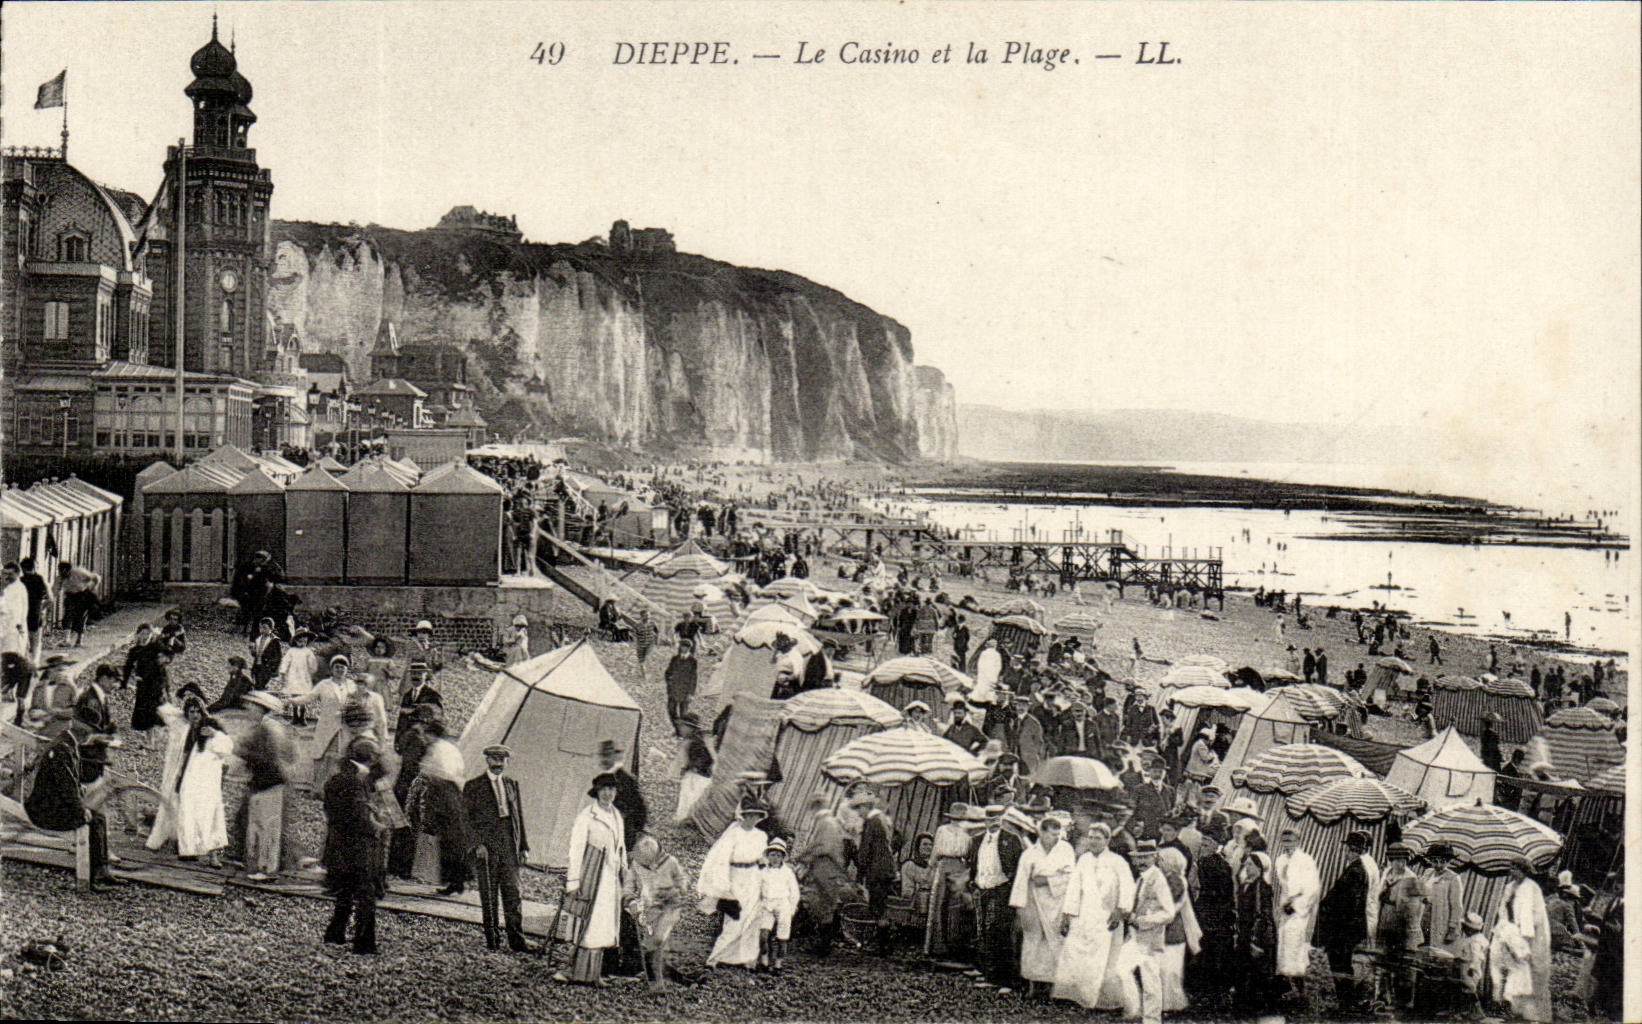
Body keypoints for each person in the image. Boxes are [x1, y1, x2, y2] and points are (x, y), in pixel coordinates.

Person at [1052, 820, 1134, 1010]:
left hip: (1107, 916)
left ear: (1107, 840)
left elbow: (1127, 887)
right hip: (1084, 913)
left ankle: (1101, 999)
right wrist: (1067, 914)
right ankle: (1076, 996)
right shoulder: (1083, 859)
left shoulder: (1117, 861)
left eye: (1098, 838)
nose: (1093, 842)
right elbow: (1074, 888)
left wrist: (1120, 911)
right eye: (1090, 838)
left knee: (1105, 957)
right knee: (1077, 953)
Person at [557, 771, 629, 985]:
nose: (608, 794)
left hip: (610, 877)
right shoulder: (587, 816)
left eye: (612, 789)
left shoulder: (616, 815)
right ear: (597, 792)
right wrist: (573, 881)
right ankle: (576, 971)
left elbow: (620, 846)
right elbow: (576, 850)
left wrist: (623, 868)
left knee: (604, 922)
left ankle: (594, 973)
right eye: (604, 789)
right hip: (592, 873)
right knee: (588, 921)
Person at [464, 745, 536, 953]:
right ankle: (492, 940)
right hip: (486, 848)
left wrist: (523, 846)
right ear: (487, 760)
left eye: (501, 760)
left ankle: (517, 940)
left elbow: (518, 817)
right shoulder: (473, 786)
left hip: (508, 846)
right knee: (489, 895)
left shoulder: (512, 784)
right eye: (494, 760)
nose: (497, 764)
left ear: (507, 762)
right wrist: (477, 844)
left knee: (513, 893)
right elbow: (465, 820)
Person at [322, 737, 382, 955]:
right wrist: (377, 825)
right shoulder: (356, 781)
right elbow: (358, 815)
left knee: (345, 890)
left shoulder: (338, 778)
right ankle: (364, 941)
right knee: (366, 893)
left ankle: (335, 933)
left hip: (339, 842)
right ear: (370, 758)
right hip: (357, 844)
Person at [699, 799, 770, 969]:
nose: (752, 819)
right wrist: (724, 888)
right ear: (742, 816)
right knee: (735, 918)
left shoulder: (761, 836)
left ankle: (748, 957)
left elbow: (763, 857)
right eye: (749, 815)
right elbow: (721, 861)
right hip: (736, 876)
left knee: (753, 917)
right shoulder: (732, 835)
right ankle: (716, 957)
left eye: (756, 816)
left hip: (754, 876)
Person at [1010, 812, 1073, 1000]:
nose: (1057, 837)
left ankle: (1055, 987)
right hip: (1034, 902)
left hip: (1058, 902)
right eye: (1053, 834)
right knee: (1033, 941)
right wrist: (1020, 908)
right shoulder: (1030, 854)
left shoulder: (1066, 849)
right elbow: (1021, 882)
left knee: (1056, 942)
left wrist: (1046, 880)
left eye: (1058, 833)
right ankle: (1033, 985)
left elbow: (1071, 876)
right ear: (1042, 833)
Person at [1316, 829, 1379, 1013]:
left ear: (1354, 849)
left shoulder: (1357, 869)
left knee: (1340, 962)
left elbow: (1347, 901)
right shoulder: (1370, 865)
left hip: (1347, 925)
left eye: (1349, 849)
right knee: (1345, 962)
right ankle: (1350, 1001)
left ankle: (1347, 1002)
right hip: (1360, 921)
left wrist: (1331, 920)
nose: (1346, 853)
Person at [237, 691, 293, 881]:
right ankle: (259, 865)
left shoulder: (268, 729)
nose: (248, 709)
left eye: (251, 706)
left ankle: (268, 869)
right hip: (263, 782)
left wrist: (243, 752)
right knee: (259, 825)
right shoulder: (262, 727)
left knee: (267, 826)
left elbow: (270, 759)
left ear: (261, 709)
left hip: (269, 782)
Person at [967, 803, 1023, 992]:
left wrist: (1009, 886)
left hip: (1002, 889)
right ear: (984, 820)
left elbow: (1018, 867)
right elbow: (972, 865)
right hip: (982, 888)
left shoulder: (1012, 839)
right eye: (989, 819)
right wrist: (973, 884)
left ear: (1002, 820)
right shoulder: (976, 840)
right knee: (982, 931)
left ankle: (1005, 980)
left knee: (999, 932)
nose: (993, 823)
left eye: (997, 819)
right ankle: (988, 974)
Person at [1489, 857, 1551, 1023]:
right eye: (1511, 868)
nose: (1512, 871)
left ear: (1524, 870)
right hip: (1508, 930)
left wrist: (1525, 938)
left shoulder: (1531, 888)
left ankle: (1520, 1009)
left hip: (1526, 933)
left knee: (1523, 969)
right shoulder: (1510, 887)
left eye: (1515, 868)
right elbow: (1503, 908)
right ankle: (1502, 1003)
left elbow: (1530, 915)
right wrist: (1503, 929)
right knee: (1502, 965)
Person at [414, 719, 470, 895]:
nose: (425, 737)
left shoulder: (438, 749)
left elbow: (433, 771)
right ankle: (456, 880)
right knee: (452, 839)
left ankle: (455, 880)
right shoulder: (451, 748)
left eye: (427, 734)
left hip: (442, 793)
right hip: (453, 793)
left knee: (448, 839)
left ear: (433, 734)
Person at [145, 690, 206, 852]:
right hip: (181, 770)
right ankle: (172, 836)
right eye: (191, 712)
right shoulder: (183, 729)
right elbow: (180, 752)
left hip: (196, 772)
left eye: (197, 712)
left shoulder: (204, 729)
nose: (194, 715)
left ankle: (186, 839)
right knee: (174, 802)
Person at [794, 793, 853, 956]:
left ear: (817, 807)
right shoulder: (828, 822)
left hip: (826, 870)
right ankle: (823, 944)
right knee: (824, 905)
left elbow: (824, 847)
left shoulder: (826, 823)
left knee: (824, 905)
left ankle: (824, 946)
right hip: (826, 869)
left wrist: (803, 856)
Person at [628, 834, 689, 993]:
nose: (648, 865)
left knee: (658, 940)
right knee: (650, 944)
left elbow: (681, 878)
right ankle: (655, 978)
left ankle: (658, 982)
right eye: (644, 862)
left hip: (670, 906)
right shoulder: (635, 865)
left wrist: (680, 888)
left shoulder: (670, 862)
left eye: (650, 861)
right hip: (649, 908)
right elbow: (627, 887)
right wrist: (631, 902)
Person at [175, 714, 236, 867]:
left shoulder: (217, 741)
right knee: (189, 815)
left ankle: (213, 855)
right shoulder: (196, 744)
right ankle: (189, 850)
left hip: (208, 786)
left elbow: (227, 748)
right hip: (192, 784)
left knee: (211, 818)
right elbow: (185, 763)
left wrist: (215, 734)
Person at [1128, 838, 1178, 1024]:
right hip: (1136, 936)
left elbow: (1169, 912)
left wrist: (1142, 921)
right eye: (1139, 857)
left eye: (1146, 857)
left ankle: (1152, 1020)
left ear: (1155, 857)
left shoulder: (1157, 879)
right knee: (1125, 972)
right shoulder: (1142, 877)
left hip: (1150, 937)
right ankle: (1139, 1012)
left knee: (1150, 980)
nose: (1141, 862)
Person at [924, 804, 978, 963]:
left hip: (954, 866)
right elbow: (937, 852)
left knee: (948, 904)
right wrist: (932, 865)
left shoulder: (965, 834)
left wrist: (930, 866)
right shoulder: (948, 831)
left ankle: (947, 946)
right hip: (951, 866)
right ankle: (942, 946)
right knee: (947, 903)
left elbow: (936, 852)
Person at [1271, 826, 1320, 1001]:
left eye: (1290, 840)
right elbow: (1282, 885)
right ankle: (1288, 988)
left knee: (1296, 949)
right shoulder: (1280, 860)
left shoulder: (1306, 860)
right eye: (1284, 840)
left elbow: (1311, 888)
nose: (1287, 844)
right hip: (1285, 906)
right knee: (1283, 948)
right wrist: (1283, 904)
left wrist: (1297, 906)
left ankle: (1302, 990)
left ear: (1298, 841)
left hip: (1299, 910)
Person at [1376, 841, 1426, 1010]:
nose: (1400, 863)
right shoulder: (1387, 873)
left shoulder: (1411, 879)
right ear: (1390, 860)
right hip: (1386, 918)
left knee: (1403, 963)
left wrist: (1408, 929)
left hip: (1402, 923)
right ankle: (1384, 997)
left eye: (1403, 860)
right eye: (1396, 859)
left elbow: (1415, 908)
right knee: (1384, 959)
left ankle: (1403, 1001)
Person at [1233, 837, 1280, 1015]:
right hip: (1245, 933)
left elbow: (1262, 915)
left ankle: (1259, 1006)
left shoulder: (1262, 887)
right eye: (1247, 865)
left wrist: (1256, 940)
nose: (1248, 868)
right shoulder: (1246, 885)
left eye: (1252, 865)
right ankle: (1244, 1004)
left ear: (1260, 868)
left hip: (1258, 934)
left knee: (1258, 970)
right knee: (1245, 967)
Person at [854, 787, 899, 949]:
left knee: (878, 907)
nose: (859, 813)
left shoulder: (871, 822)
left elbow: (865, 851)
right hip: (886, 870)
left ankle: (883, 945)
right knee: (881, 905)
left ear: (866, 807)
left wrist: (859, 871)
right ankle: (882, 943)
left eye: (859, 808)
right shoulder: (883, 820)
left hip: (877, 871)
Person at [755, 837, 802, 972]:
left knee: (782, 938)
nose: (775, 858)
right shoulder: (763, 872)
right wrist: (759, 904)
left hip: (783, 905)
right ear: (768, 856)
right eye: (772, 855)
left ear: (782, 857)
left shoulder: (788, 873)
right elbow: (757, 890)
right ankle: (764, 961)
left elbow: (794, 893)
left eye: (778, 855)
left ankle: (778, 964)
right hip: (767, 905)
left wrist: (791, 909)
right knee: (763, 935)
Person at [122, 625, 170, 749]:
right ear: (138, 635)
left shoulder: (156, 647)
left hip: (156, 683)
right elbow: (128, 667)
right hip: (143, 685)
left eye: (147, 634)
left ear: (151, 635)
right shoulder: (135, 650)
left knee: (153, 710)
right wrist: (125, 682)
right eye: (142, 634)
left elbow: (167, 657)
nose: (144, 636)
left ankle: (153, 741)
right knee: (146, 712)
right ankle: (154, 740)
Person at [597, 739, 647, 849]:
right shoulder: (601, 779)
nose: (604, 759)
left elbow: (639, 809)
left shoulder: (624, 780)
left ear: (615, 756)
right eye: (602, 755)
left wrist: (634, 831)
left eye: (608, 755)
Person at [1423, 841, 1465, 954]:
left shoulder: (1453, 878)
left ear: (1448, 861)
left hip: (1440, 918)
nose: (1438, 865)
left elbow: (1456, 906)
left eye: (1443, 862)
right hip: (1424, 916)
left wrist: (1452, 928)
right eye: (1435, 861)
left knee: (1437, 951)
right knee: (1422, 947)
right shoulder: (1427, 874)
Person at [54, 561, 102, 646]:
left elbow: (96, 577)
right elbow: (55, 590)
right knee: (67, 616)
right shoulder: (60, 578)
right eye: (60, 571)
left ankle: (79, 641)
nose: (62, 573)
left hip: (82, 595)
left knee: (81, 617)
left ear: (69, 569)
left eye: (64, 571)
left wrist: (93, 588)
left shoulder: (78, 572)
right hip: (69, 596)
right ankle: (66, 640)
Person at [18, 557, 49, 662]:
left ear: (22, 568)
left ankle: (26, 663)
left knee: (24, 640)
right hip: (36, 612)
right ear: (34, 567)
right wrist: (42, 608)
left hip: (22, 613)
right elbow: (50, 598)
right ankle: (35, 663)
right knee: (36, 640)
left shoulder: (20, 581)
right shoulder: (40, 579)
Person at [663, 641, 698, 735]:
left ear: (689, 648)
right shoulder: (674, 659)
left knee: (683, 713)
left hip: (685, 690)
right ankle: (677, 729)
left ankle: (682, 732)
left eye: (685, 647)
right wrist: (669, 683)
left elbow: (693, 678)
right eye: (682, 646)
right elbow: (667, 672)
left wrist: (691, 693)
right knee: (671, 710)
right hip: (673, 690)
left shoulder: (692, 661)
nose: (683, 648)